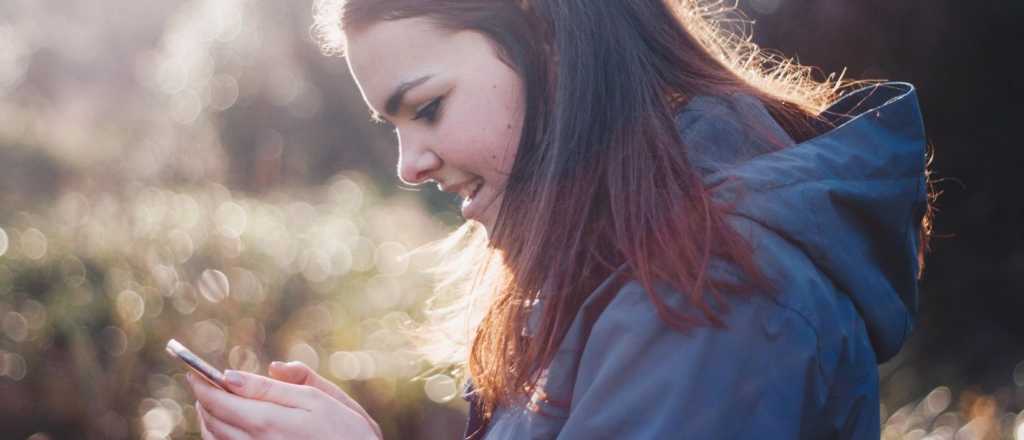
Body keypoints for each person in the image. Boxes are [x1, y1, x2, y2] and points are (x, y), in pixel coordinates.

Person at [185, 1, 933, 439]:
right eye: (393, 127)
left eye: (428, 109)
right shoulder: (617, 262)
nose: (409, 164)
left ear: (546, 40)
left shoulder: (715, 295)